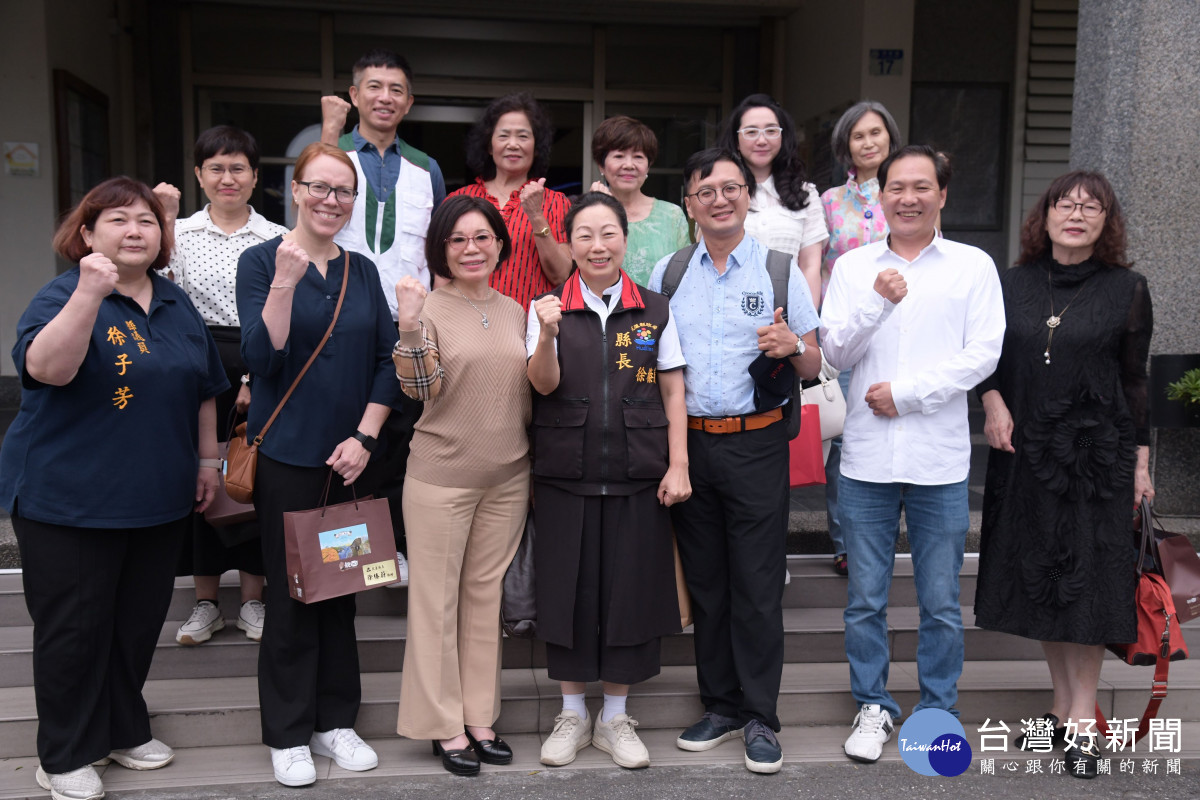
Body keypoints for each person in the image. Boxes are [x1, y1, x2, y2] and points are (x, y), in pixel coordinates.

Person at [0, 177, 227, 800]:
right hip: (68, 499)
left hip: (156, 494)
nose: (135, 231)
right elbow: (47, 370)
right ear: (87, 235)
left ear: (163, 236)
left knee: (135, 622)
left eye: (148, 221)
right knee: (75, 628)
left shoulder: (176, 304)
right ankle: (65, 752)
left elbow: (205, 386)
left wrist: (207, 464)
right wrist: (89, 293)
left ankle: (124, 727)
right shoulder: (63, 294)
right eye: (119, 220)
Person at [819, 145, 1005, 764]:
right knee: (866, 596)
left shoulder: (972, 266)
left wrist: (908, 394)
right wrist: (878, 300)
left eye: (921, 187)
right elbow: (836, 354)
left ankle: (936, 709)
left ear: (942, 195)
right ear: (880, 196)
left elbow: (983, 353)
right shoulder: (851, 269)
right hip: (866, 459)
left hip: (939, 459)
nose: (907, 198)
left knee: (941, 601)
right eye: (896, 187)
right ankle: (872, 705)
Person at [974, 171, 1153, 779]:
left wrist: (1141, 463)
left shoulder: (1127, 289)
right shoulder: (1011, 283)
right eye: (1065, 204)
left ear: (1107, 222)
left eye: (1092, 206)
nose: (1076, 214)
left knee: (1088, 587)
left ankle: (1082, 720)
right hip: (1026, 457)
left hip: (1096, 460)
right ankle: (1057, 706)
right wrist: (993, 401)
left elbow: (1135, 380)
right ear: (1044, 216)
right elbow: (985, 358)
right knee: (1044, 585)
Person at [648, 149, 822, 774]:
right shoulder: (670, 274)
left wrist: (792, 344)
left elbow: (814, 362)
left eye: (731, 188)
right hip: (689, 446)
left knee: (755, 585)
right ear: (689, 204)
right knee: (708, 584)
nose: (719, 199)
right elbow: (653, 363)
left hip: (756, 444)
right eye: (705, 191)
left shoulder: (778, 271)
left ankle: (760, 717)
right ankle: (719, 705)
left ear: (748, 196)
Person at [237, 142, 399, 788]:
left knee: (342, 592)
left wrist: (366, 435)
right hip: (289, 458)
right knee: (292, 597)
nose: (331, 201)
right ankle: (287, 731)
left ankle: (336, 720)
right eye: (320, 188)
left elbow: (390, 361)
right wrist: (283, 282)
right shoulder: (261, 261)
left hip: (350, 460)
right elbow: (261, 357)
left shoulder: (362, 273)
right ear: (295, 190)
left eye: (343, 191)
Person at [527, 192, 691, 770]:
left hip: (637, 472)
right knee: (566, 591)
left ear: (625, 238)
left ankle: (616, 717)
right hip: (564, 473)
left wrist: (679, 464)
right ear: (569, 244)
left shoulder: (654, 307)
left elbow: (673, 388)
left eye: (608, 233)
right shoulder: (546, 307)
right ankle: (572, 712)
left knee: (631, 593)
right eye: (585, 235)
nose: (597, 246)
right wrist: (546, 334)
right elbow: (542, 385)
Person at [391, 195, 531, 776]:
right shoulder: (427, 309)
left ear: (500, 243)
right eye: (458, 240)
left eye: (482, 238)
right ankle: (443, 725)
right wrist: (407, 325)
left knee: (484, 600)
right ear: (440, 249)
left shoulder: (516, 310)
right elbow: (419, 388)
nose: (471, 249)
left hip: (508, 477)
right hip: (440, 479)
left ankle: (479, 717)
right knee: (435, 603)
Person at [153, 125, 286, 646]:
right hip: (194, 364)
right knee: (203, 484)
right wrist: (165, 218)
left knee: (255, 480)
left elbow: (279, 311)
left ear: (255, 176)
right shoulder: (177, 233)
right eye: (216, 168)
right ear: (198, 175)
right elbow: (161, 294)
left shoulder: (276, 237)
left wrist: (254, 376)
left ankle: (253, 600)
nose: (227, 177)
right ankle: (205, 602)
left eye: (237, 168)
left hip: (260, 364)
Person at [321, 48, 448, 586]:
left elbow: (439, 251)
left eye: (396, 89)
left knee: (403, 437)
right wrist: (331, 131)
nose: (384, 97)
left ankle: (393, 547)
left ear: (409, 102)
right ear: (354, 95)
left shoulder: (425, 167)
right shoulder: (332, 157)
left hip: (406, 323)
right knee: (340, 436)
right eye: (373, 87)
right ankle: (348, 562)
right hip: (339, 319)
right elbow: (309, 221)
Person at [819, 100, 902, 577]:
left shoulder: (908, 195)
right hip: (846, 338)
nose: (868, 142)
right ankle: (846, 541)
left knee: (894, 437)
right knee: (843, 443)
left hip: (900, 335)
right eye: (858, 136)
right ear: (845, 145)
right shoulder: (828, 202)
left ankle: (885, 539)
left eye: (876, 133)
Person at [450, 92, 572, 308]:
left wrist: (536, 215)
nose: (513, 144)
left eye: (523, 136)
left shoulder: (557, 202)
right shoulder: (459, 199)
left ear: (536, 147)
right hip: (466, 327)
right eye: (504, 136)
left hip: (532, 331)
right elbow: (444, 273)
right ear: (489, 145)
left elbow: (561, 275)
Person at [717, 93, 827, 307]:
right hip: (729, 310)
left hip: (786, 314)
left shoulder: (805, 194)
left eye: (771, 131)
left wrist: (806, 328)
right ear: (736, 139)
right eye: (751, 132)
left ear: (782, 137)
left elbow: (810, 266)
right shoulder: (720, 194)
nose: (761, 140)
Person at [587, 115, 690, 284]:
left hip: (661, 309)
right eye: (619, 156)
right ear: (601, 165)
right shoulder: (586, 213)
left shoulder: (672, 215)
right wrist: (599, 211)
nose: (629, 165)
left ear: (648, 166)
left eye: (638, 157)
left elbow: (685, 275)